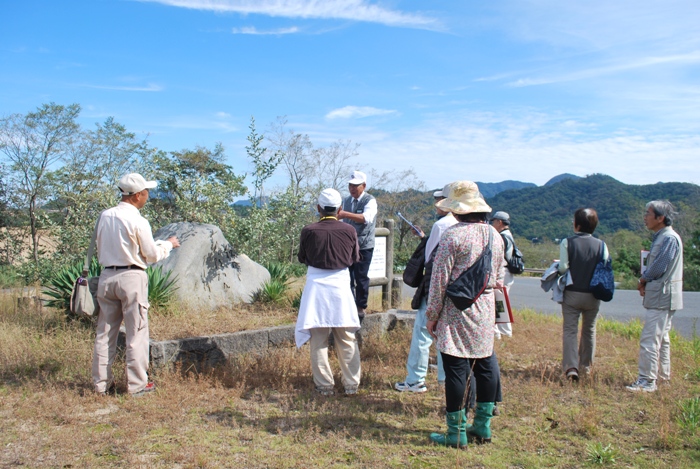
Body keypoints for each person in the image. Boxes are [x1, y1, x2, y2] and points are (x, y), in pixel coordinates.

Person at [425, 181, 505, 448]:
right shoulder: (496, 235)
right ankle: (482, 426)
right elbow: (499, 277)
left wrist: (432, 314)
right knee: (485, 364)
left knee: (457, 370)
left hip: (456, 310)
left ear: (457, 210)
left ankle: (456, 432)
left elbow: (439, 281)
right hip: (484, 308)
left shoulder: (452, 236)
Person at [92, 173, 180, 397]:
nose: (148, 196)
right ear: (139, 195)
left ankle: (101, 385)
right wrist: (168, 245)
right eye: (147, 192)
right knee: (136, 333)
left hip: (106, 276)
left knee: (105, 333)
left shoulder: (105, 216)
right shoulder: (139, 221)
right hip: (131, 277)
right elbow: (150, 255)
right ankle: (137, 385)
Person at [296, 188, 362, 396]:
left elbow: (302, 257)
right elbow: (355, 258)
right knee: (346, 337)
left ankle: (324, 385)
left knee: (318, 338)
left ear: (318, 208)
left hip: (316, 286)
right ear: (340, 209)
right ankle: (351, 384)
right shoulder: (349, 231)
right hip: (341, 285)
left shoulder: (309, 230)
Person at [394, 184, 457, 393]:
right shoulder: (466, 224)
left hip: (434, 286)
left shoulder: (442, 225)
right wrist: (424, 237)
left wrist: (425, 242)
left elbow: (431, 257)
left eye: (439, 200)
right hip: (455, 289)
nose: (436, 204)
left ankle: (415, 379)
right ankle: (444, 378)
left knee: (423, 333)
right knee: (444, 334)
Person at [627, 200, 683, 392]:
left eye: (648, 213)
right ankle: (662, 377)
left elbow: (659, 267)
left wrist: (643, 280)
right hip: (662, 295)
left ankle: (647, 380)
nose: (645, 217)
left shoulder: (668, 238)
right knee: (662, 338)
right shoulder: (663, 237)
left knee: (650, 339)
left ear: (660, 218)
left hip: (662, 296)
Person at [557, 208, 609, 382]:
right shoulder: (602, 245)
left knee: (570, 330)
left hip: (572, 293)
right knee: (589, 330)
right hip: (593, 295)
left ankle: (571, 367)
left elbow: (563, 267)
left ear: (577, 224)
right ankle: (586, 366)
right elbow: (605, 265)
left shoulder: (567, 242)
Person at [338, 170, 377, 322]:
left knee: (361, 277)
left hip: (364, 246)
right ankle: (348, 305)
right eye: (350, 185)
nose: (352, 188)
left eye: (355, 185)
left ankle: (360, 307)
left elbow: (365, 218)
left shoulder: (370, 200)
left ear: (364, 186)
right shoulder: (347, 201)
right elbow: (341, 220)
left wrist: (345, 214)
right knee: (347, 276)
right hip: (348, 246)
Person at [489, 211, 515, 338]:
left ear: (499, 222)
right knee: (502, 302)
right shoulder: (508, 235)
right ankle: (505, 331)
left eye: (493, 221)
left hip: (502, 272)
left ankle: (496, 332)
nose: (492, 223)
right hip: (507, 273)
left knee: (497, 302)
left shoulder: (501, 237)